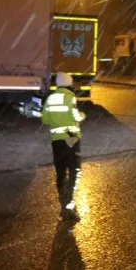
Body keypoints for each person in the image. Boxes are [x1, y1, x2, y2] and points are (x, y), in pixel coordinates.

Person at [42, 73, 86, 221]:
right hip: (71, 139)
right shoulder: (70, 97)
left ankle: (64, 202)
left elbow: (45, 119)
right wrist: (82, 115)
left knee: (61, 173)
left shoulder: (51, 98)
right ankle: (68, 207)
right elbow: (75, 116)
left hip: (57, 142)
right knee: (75, 171)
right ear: (69, 83)